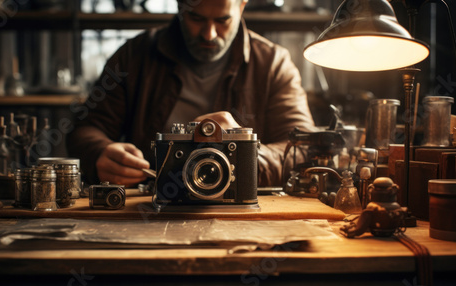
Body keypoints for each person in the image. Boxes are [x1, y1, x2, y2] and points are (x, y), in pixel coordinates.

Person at [67, 0, 316, 188]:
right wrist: (100, 154)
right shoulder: (134, 56)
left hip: (236, 213)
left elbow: (302, 150)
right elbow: (84, 129)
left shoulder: (273, 64)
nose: (209, 34)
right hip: (151, 206)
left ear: (242, 6)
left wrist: (244, 153)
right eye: (196, 18)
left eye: (222, 21)